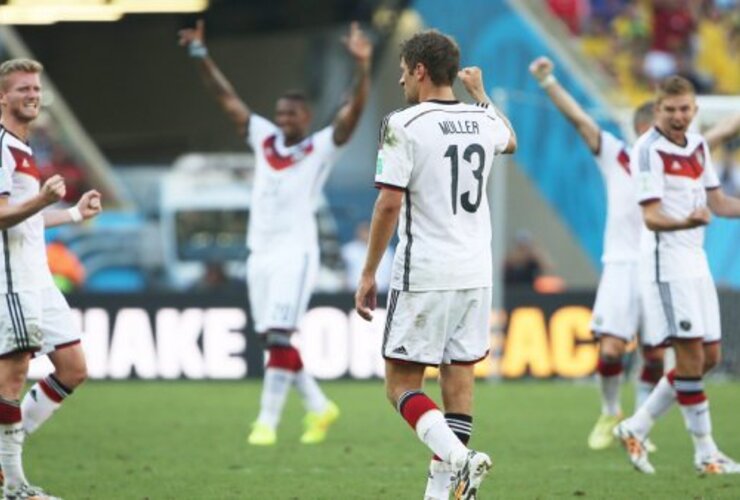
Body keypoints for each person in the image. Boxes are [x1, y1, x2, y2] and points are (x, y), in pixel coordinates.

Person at [178, 20, 372, 446]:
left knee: (281, 335)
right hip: (259, 253)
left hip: (295, 253)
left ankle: (265, 422)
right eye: (280, 112)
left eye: (292, 113)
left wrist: (362, 69)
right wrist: (199, 54)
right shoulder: (264, 138)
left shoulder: (321, 146)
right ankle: (320, 407)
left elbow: (353, 114)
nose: (284, 119)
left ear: (307, 116)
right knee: (272, 338)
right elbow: (225, 98)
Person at [355, 32, 516, 500]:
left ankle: (461, 458)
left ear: (421, 70)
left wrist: (368, 272)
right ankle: (440, 496)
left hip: (424, 270)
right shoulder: (481, 120)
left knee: (400, 385)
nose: (402, 76)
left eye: (405, 68)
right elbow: (511, 139)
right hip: (474, 272)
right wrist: (481, 95)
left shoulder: (403, 123)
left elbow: (388, 204)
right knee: (458, 384)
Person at [529, 56, 666, 451]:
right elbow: (580, 121)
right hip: (621, 265)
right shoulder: (618, 155)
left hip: (658, 267)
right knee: (610, 348)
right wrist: (548, 81)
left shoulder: (674, 164)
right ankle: (610, 411)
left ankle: (638, 427)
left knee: (655, 354)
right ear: (642, 126)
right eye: (660, 121)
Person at [614, 75, 740, 474]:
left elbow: (718, 203)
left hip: (695, 263)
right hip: (665, 266)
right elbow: (651, 217)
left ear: (694, 110)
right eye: (670, 110)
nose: (678, 116)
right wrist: (688, 220)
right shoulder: (648, 150)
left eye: (685, 109)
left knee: (708, 359)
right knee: (688, 358)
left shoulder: (699, 146)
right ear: (657, 109)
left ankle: (635, 425)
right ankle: (706, 454)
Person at [0, 58, 102, 499]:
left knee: (73, 368)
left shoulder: (24, 148)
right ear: (2, 97)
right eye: (22, 89)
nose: (32, 95)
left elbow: (29, 220)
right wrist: (42, 198)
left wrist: (74, 213)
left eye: (36, 89)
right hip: (12, 277)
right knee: (14, 372)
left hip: (37, 276)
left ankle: (8, 453)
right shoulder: (1, 146)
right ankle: (14, 486)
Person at [341, 221, 392, 293]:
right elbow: (340, 273)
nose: (366, 234)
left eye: (368, 231)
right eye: (363, 231)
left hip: (382, 293)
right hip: (352, 293)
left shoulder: (387, 251)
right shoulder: (348, 250)